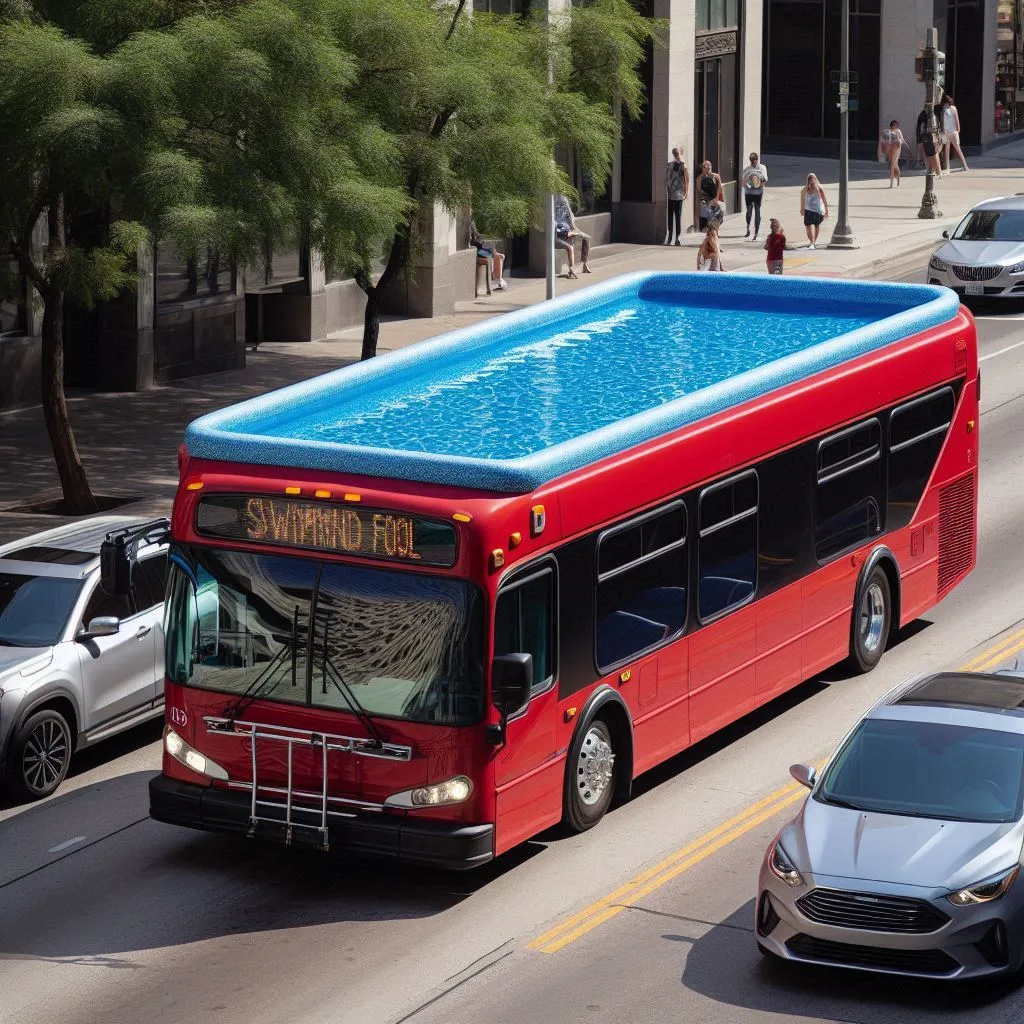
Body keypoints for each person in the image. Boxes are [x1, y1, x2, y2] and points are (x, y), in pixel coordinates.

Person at [554, 193, 591, 279]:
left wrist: (575, 231)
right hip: (558, 238)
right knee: (570, 248)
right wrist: (574, 233)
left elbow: (570, 224)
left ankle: (584, 263)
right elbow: (561, 233)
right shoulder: (555, 218)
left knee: (586, 238)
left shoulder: (565, 215)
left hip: (567, 233)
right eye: (561, 205)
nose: (563, 207)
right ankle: (571, 269)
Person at [470, 216, 507, 290]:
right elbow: (475, 240)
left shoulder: (473, 225)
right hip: (478, 251)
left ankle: (499, 279)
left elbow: (477, 238)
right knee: (497, 255)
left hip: (480, 248)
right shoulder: (471, 226)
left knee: (498, 255)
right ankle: (499, 280)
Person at [664, 147, 689, 246]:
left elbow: (687, 178)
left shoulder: (683, 164)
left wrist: (686, 191)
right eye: (675, 153)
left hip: (679, 193)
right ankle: (670, 236)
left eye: (677, 153)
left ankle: (677, 237)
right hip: (671, 193)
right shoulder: (670, 164)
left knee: (678, 215)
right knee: (670, 215)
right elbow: (667, 178)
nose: (676, 155)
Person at [741, 152, 768, 240]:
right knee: (749, 211)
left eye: (754, 159)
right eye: (751, 159)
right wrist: (747, 183)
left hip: (758, 192)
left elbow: (765, 179)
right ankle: (748, 228)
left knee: (757, 210)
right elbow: (743, 181)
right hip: (748, 192)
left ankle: (756, 232)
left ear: (757, 159)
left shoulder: (762, 168)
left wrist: (758, 182)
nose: (753, 161)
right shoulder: (747, 169)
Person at [799, 172, 828, 249]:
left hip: (818, 211)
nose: (811, 181)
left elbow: (824, 200)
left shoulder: (819, 189)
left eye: (813, 179)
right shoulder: (805, 189)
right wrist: (802, 209)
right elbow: (802, 199)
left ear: (815, 180)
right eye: (809, 179)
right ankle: (812, 242)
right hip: (808, 210)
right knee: (808, 226)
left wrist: (826, 211)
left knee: (816, 225)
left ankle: (813, 242)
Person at [942, 95, 969, 173]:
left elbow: (943, 121)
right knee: (958, 148)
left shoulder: (943, 109)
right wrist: (958, 130)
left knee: (947, 150)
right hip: (954, 131)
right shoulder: (954, 108)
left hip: (946, 131)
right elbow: (957, 120)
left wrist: (943, 130)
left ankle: (947, 167)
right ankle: (965, 165)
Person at [697, 160, 724, 231]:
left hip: (715, 201)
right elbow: (699, 191)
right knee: (710, 218)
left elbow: (719, 188)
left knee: (719, 217)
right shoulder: (700, 178)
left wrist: (716, 199)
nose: (708, 170)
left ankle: (714, 232)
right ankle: (713, 234)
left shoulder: (716, 176)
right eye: (706, 168)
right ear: (703, 169)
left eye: (709, 168)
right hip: (706, 202)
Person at [916, 106, 942, 177]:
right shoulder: (932, 114)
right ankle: (935, 171)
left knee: (930, 154)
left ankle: (934, 170)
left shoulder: (925, 114)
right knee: (933, 154)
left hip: (928, 137)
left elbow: (921, 128)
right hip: (931, 136)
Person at [881, 120, 907, 188]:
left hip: (897, 148)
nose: (895, 126)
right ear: (891, 125)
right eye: (894, 125)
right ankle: (897, 179)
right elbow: (884, 140)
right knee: (893, 164)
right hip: (890, 148)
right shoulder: (888, 131)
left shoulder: (898, 131)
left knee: (893, 163)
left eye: (896, 125)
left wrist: (899, 141)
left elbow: (902, 139)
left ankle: (891, 183)